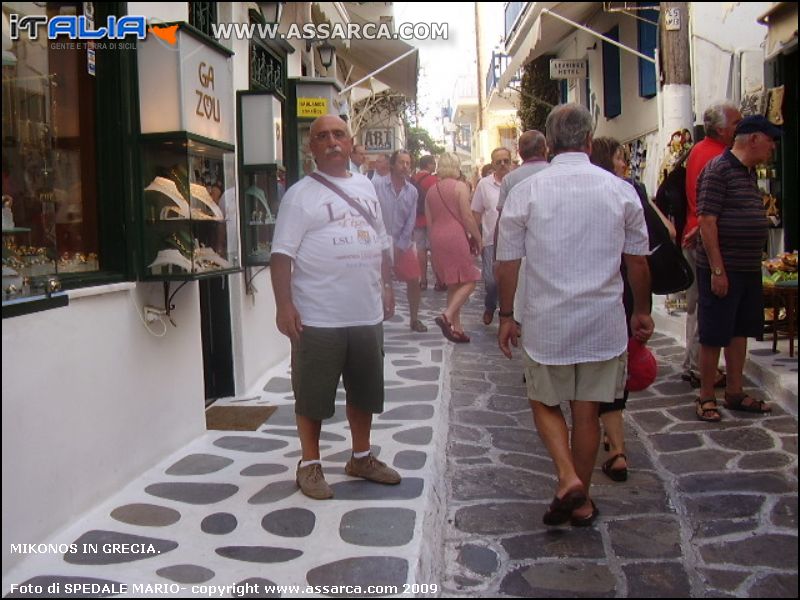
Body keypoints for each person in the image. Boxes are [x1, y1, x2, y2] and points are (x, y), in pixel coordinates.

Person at [496, 104, 653, 526]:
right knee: (587, 414)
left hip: (548, 323)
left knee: (543, 401)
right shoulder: (620, 190)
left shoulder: (526, 192)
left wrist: (506, 313)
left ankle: (568, 482)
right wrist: (642, 310)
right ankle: (578, 496)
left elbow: (507, 261)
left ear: (548, 144)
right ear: (588, 141)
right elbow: (638, 262)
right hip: (603, 322)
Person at [270, 115, 401, 500]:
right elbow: (281, 255)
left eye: (338, 134)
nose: (331, 141)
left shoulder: (365, 186)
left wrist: (388, 285)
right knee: (312, 395)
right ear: (311, 147)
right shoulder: (299, 195)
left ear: (350, 141)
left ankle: (361, 457)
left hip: (365, 311)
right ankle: (309, 464)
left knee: (365, 391)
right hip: (318, 315)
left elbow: (380, 239)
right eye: (322, 136)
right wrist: (284, 306)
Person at [590, 137, 672, 482]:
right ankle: (616, 446)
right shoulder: (630, 190)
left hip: (591, 287)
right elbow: (665, 232)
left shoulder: (584, 191)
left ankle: (601, 438)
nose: (625, 163)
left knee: (593, 367)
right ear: (614, 159)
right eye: (622, 157)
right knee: (615, 366)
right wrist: (643, 307)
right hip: (623, 287)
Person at [694, 115, 779, 422]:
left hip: (746, 267)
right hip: (724, 267)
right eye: (770, 140)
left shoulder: (746, 173)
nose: (773, 146)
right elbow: (707, 220)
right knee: (715, 332)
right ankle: (706, 396)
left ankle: (734, 391)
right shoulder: (718, 169)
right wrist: (718, 270)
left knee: (739, 330)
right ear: (754, 139)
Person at [681, 101, 742, 390]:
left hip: (693, 232)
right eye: (735, 124)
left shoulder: (698, 150)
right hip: (703, 237)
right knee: (705, 305)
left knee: (697, 304)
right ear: (721, 129)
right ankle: (697, 367)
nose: (738, 129)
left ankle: (691, 363)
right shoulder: (718, 157)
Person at [496, 130, 550, 332]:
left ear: (520, 152)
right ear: (545, 150)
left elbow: (503, 221)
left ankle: (518, 322)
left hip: (520, 249)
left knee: (522, 290)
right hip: (548, 245)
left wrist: (497, 257)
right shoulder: (553, 171)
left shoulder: (510, 179)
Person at [426, 152, 482, 343]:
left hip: (437, 237)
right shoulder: (460, 187)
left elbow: (429, 220)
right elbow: (467, 217)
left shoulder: (431, 190)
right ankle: (447, 316)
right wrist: (477, 237)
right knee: (470, 279)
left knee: (453, 282)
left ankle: (456, 328)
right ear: (456, 166)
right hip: (455, 236)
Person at [374, 150, 427, 333]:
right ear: (392, 165)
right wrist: (381, 242)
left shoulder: (411, 191)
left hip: (401, 242)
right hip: (377, 241)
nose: (405, 166)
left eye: (408, 163)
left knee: (414, 279)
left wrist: (400, 245)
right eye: (401, 162)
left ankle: (414, 319)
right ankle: (373, 319)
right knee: (375, 281)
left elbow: (411, 220)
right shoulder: (376, 185)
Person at [471, 148, 512, 325]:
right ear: (493, 164)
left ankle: (507, 315)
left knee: (510, 280)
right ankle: (490, 306)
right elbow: (476, 212)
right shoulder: (484, 185)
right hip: (490, 241)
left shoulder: (517, 181)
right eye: (499, 162)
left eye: (506, 161)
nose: (503, 164)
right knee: (490, 281)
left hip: (513, 240)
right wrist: (476, 237)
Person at [412, 155, 439, 291]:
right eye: (433, 164)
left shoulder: (412, 179)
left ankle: (422, 280)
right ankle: (439, 280)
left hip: (416, 220)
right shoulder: (433, 180)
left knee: (420, 250)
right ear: (428, 165)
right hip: (431, 219)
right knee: (434, 250)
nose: (435, 166)